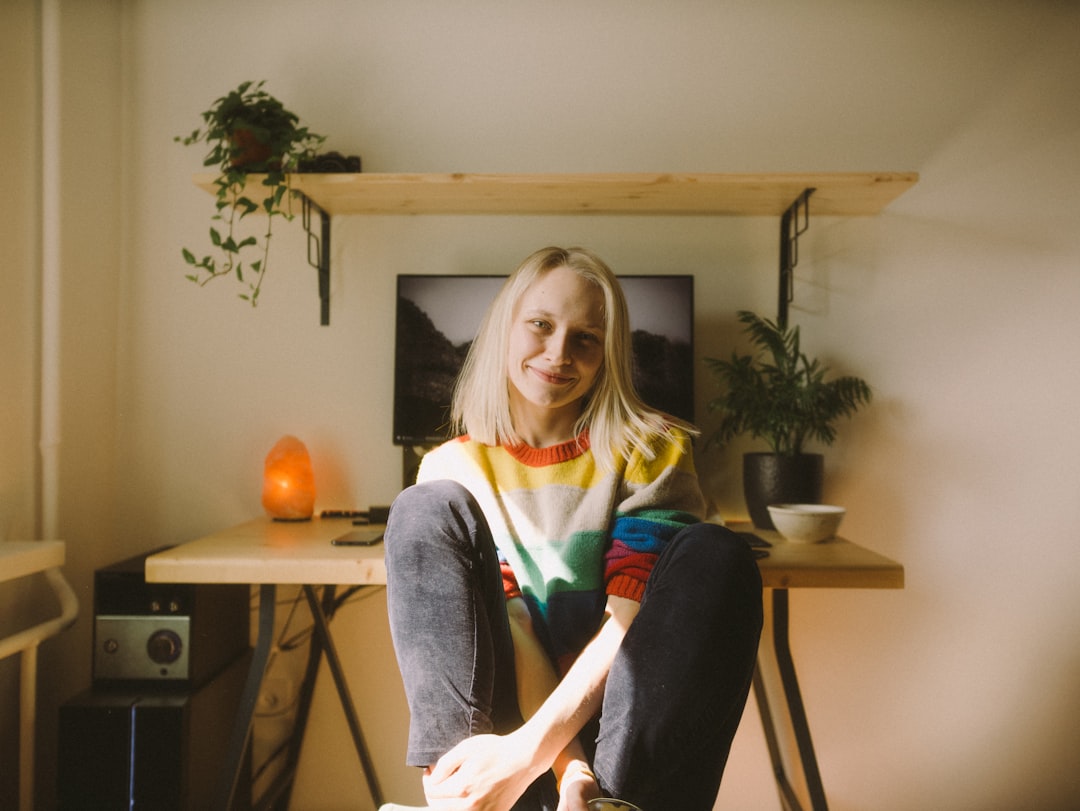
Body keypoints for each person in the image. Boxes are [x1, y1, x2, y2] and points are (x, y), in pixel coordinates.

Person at [382, 247, 763, 811]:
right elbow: (515, 626)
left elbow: (626, 627)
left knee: (716, 550)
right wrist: (557, 766)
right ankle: (457, 791)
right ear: (505, 328)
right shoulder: (452, 468)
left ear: (607, 353)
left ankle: (609, 805)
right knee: (421, 508)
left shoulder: (651, 449)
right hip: (508, 742)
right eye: (540, 325)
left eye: (586, 338)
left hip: (626, 740)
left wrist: (572, 774)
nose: (558, 353)